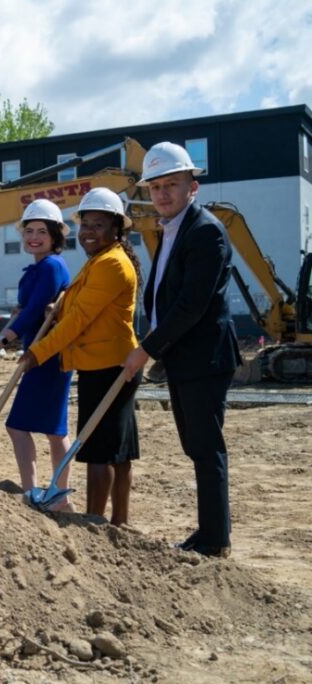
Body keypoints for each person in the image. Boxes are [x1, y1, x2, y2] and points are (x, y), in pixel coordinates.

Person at [123, 142, 241, 556]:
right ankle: (208, 533)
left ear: (193, 185)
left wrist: (146, 349)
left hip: (203, 358)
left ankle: (215, 539)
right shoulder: (173, 229)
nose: (162, 194)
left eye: (171, 184)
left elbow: (191, 305)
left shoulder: (205, 231)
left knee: (206, 448)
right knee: (196, 446)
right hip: (185, 358)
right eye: (155, 187)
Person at [23, 188, 142, 526]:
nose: (88, 231)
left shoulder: (111, 265)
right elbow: (80, 311)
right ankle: (118, 523)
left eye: (98, 224)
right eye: (85, 224)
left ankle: (95, 521)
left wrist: (37, 353)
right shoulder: (101, 261)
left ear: (116, 228)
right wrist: (58, 309)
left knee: (99, 453)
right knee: (117, 452)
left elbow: (79, 322)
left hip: (109, 368)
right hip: (107, 363)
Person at [0, 199, 72, 499]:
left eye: (41, 231)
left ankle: (49, 493)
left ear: (55, 235)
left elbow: (34, 312)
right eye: (28, 230)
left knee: (35, 427)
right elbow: (28, 309)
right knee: (46, 428)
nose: (33, 237)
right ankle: (45, 493)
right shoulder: (38, 268)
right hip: (38, 352)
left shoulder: (51, 266)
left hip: (48, 355)